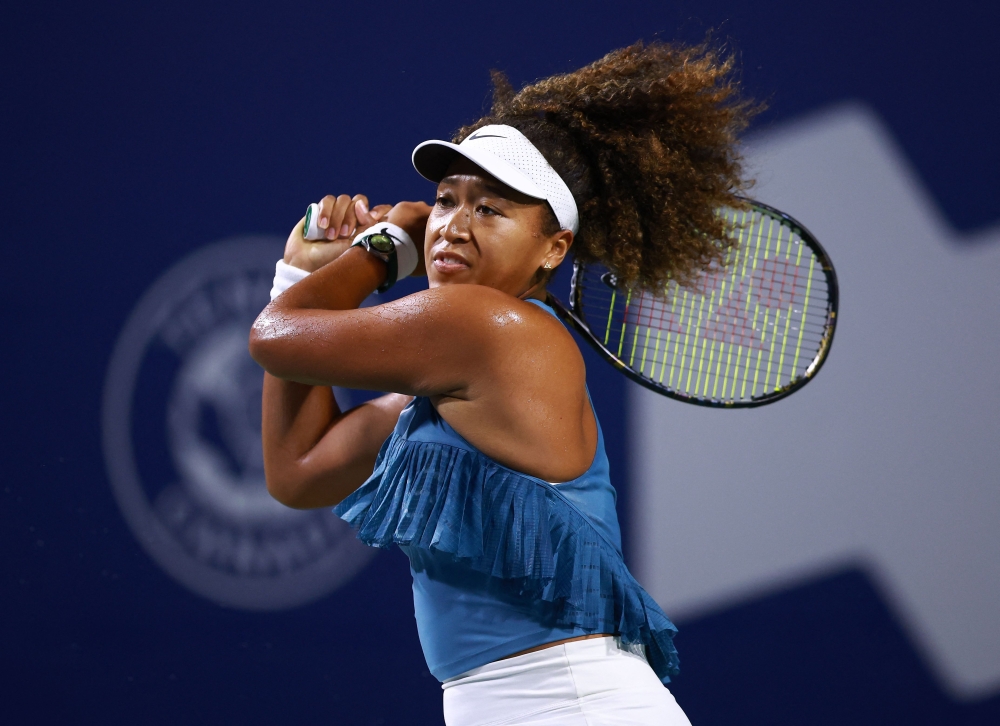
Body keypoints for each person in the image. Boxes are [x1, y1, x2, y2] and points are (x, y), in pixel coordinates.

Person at [250, 40, 754, 726]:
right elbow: (298, 472)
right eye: (444, 201)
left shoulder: (484, 327)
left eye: (490, 210)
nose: (451, 227)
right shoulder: (448, 380)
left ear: (555, 247)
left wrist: (380, 248)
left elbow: (274, 336)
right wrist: (302, 273)